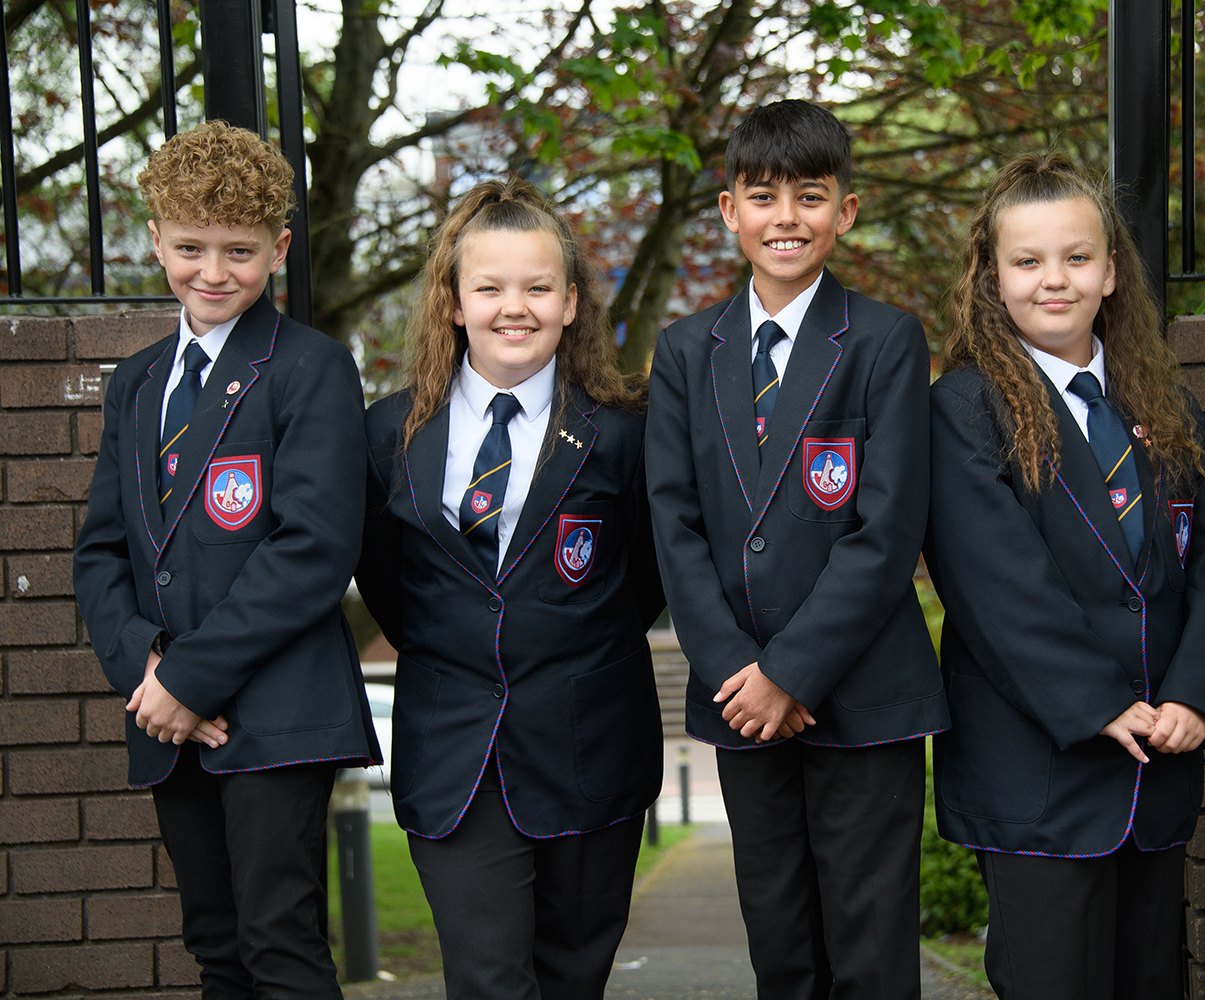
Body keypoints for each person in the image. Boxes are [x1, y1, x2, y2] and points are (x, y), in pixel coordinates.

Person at [924, 150, 1205, 1000]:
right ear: (993, 278)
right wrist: (1099, 702)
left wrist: (1193, 696)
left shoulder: (1165, 404)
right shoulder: (964, 407)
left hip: (1158, 765)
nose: (1054, 280)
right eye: (1027, 261)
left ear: (1111, 271)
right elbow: (997, 585)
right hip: (1038, 774)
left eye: (1076, 257)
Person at [645, 99, 949, 1000]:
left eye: (810, 196)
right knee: (780, 943)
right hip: (741, 701)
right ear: (730, 210)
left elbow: (887, 530)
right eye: (763, 196)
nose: (787, 218)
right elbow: (674, 524)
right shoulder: (684, 351)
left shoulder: (886, 340)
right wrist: (742, 671)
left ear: (845, 212)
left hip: (863, 696)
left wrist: (796, 672)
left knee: (870, 948)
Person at [73, 120, 378, 1000]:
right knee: (215, 947)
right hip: (168, 714)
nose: (214, 272)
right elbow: (102, 551)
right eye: (191, 247)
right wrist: (150, 672)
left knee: (279, 944)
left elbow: (314, 549)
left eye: (239, 250)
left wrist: (192, 679)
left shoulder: (312, 368)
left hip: (277, 715)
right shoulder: (133, 383)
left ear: (279, 249)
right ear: (157, 241)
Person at [355, 178, 664, 1000]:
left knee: (573, 980)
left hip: (590, 747)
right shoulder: (388, 435)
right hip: (455, 752)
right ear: (455, 303)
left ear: (570, 303)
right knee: (489, 980)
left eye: (536, 287)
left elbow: (643, 583)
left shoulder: (624, 436)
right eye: (489, 287)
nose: (512, 307)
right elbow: (390, 581)